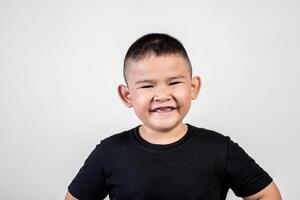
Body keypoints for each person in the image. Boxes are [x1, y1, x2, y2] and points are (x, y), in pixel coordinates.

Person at [65, 33, 281, 200]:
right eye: (147, 85)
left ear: (193, 87)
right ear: (127, 95)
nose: (162, 95)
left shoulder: (219, 148)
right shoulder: (108, 153)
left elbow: (266, 194)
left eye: (174, 82)